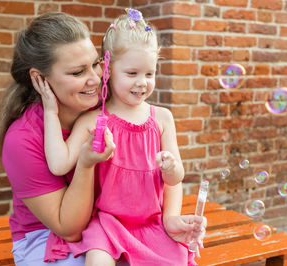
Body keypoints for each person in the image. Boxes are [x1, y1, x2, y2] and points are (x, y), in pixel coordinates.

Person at [34, 9, 206, 265]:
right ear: (108, 69)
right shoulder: (94, 121)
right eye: (132, 73)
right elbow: (59, 164)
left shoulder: (162, 119)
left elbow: (175, 179)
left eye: (149, 74)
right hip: (107, 224)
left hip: (152, 224)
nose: (142, 82)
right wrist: (50, 110)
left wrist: (170, 169)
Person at [0, 12, 116, 265]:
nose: (95, 77)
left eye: (96, 63)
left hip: (106, 225)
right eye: (78, 72)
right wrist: (85, 163)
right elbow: (68, 228)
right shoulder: (22, 140)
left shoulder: (103, 107)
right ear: (40, 78)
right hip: (45, 238)